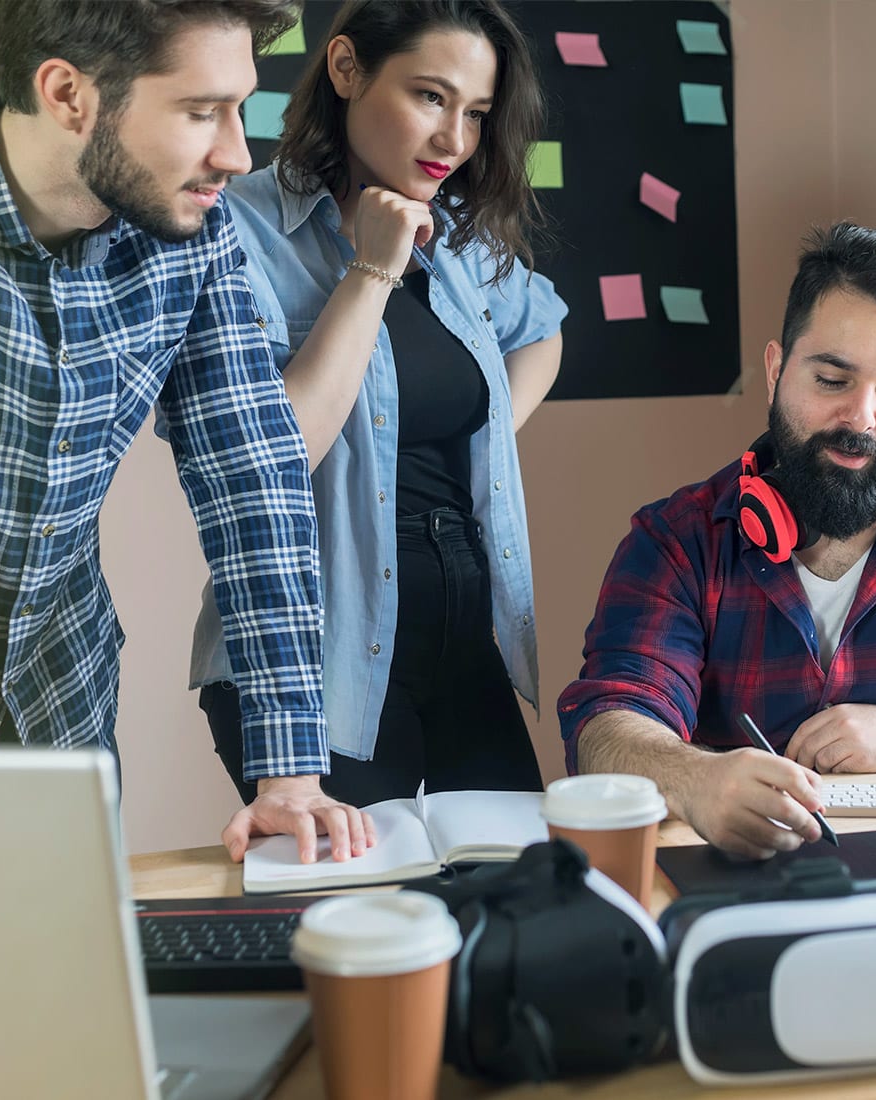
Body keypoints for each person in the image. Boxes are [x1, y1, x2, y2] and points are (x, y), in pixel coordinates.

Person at [0, 0, 370, 862]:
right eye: (201, 113)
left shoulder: (193, 230)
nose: (237, 154)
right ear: (66, 93)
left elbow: (256, 478)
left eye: (239, 108)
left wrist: (288, 772)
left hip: (63, 712)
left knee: (66, 989)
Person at [557, 223, 876, 859]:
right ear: (778, 368)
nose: (861, 418)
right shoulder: (678, 541)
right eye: (832, 381)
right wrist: (696, 778)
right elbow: (607, 725)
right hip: (754, 882)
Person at [191, 0, 566, 811]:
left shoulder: (456, 230)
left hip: (465, 624)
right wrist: (373, 269)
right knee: (364, 915)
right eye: (431, 97)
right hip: (316, 638)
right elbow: (273, 451)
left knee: (519, 900)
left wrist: (491, 429)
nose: (454, 142)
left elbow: (542, 328)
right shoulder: (235, 231)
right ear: (346, 68)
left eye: (476, 114)